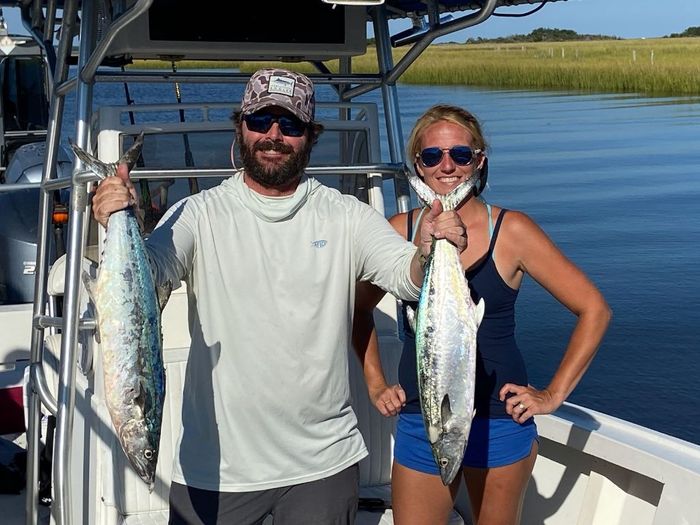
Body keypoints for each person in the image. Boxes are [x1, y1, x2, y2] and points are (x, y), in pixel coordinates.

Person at [90, 69, 468, 525]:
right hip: (217, 469)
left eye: (290, 125)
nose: (274, 135)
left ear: (310, 136)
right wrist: (116, 220)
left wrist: (427, 250)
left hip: (323, 465)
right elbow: (149, 281)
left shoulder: (346, 215)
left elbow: (405, 277)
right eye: (261, 121)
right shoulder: (197, 213)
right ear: (240, 127)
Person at [353, 104, 611, 525]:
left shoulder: (512, 231)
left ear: (480, 161)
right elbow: (358, 309)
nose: (447, 166)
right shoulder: (398, 230)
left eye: (461, 155)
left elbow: (594, 309)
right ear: (417, 165)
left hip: (501, 419)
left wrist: (552, 394)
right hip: (426, 418)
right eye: (432, 156)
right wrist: (376, 382)